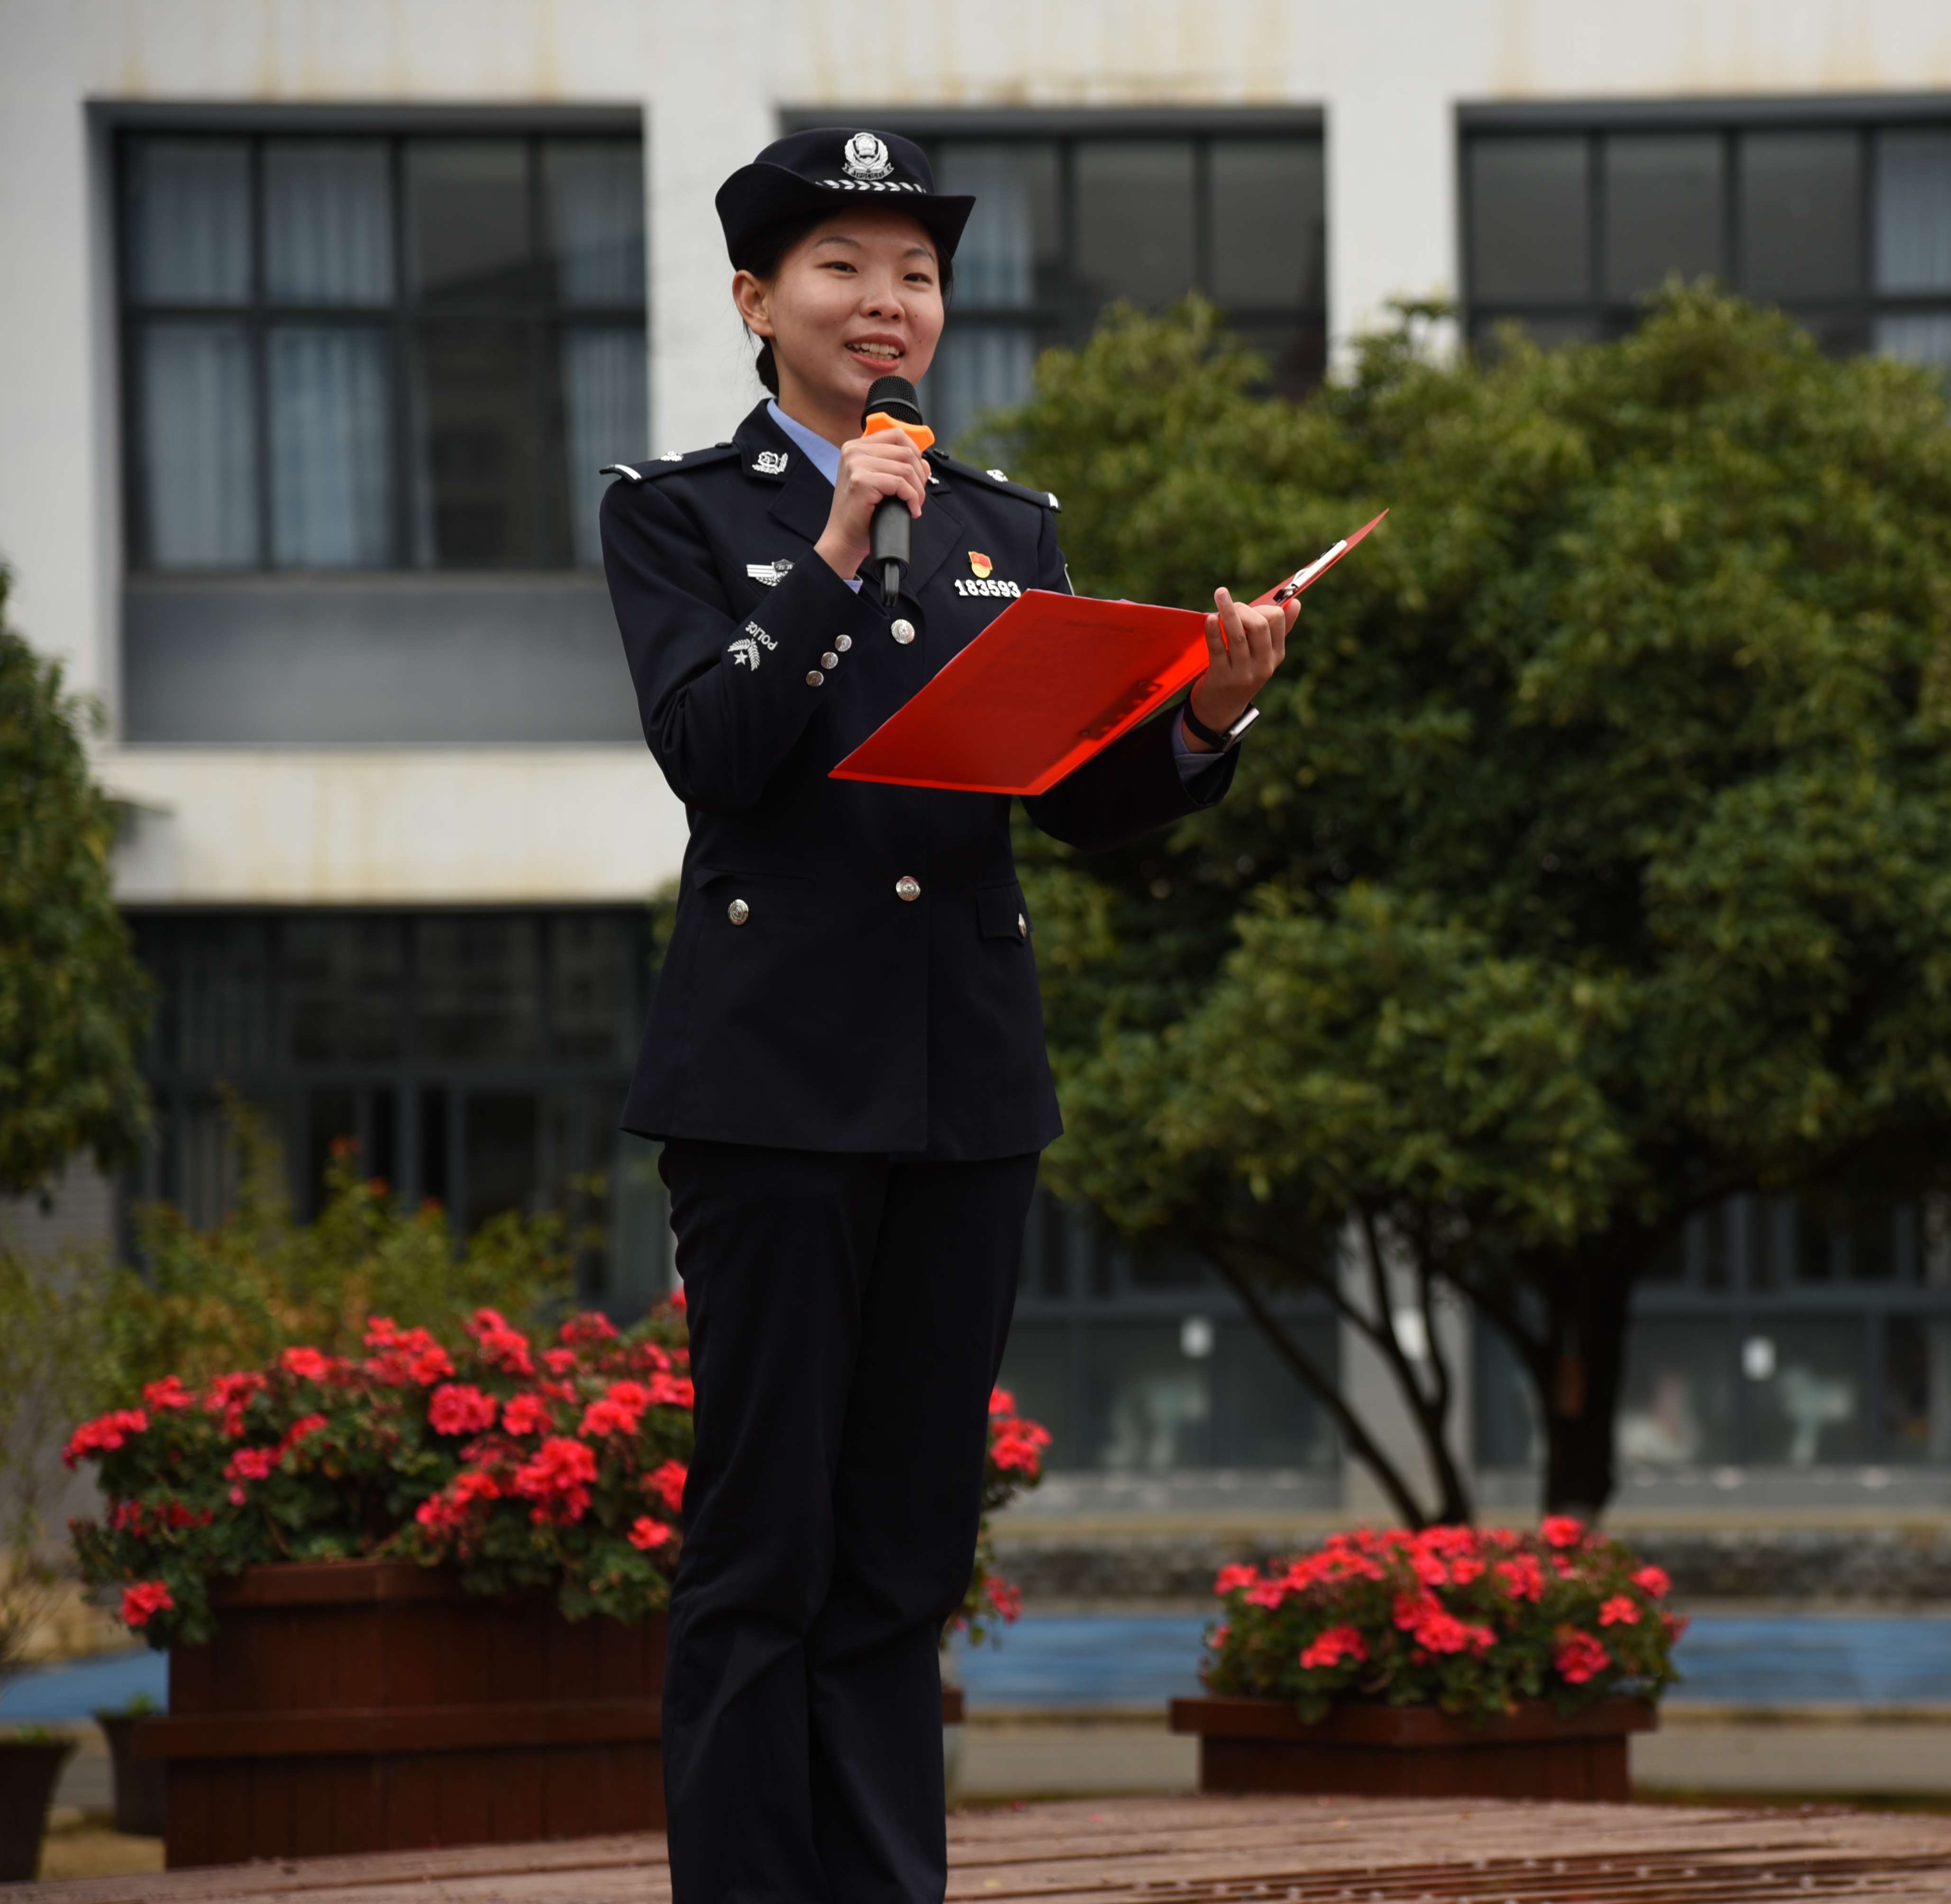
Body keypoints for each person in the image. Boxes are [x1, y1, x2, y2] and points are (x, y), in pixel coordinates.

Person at [597, 126, 1296, 1904]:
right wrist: (836, 548)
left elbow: (1079, 798)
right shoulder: (679, 511)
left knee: (905, 1550)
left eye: (913, 271)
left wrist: (1206, 716)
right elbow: (718, 756)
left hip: (964, 1093)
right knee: (766, 1544)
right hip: (769, 1095)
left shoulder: (1008, 527)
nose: (884, 302)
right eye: (841, 267)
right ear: (759, 302)